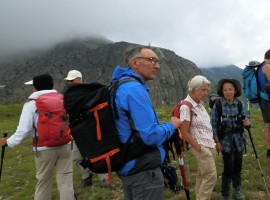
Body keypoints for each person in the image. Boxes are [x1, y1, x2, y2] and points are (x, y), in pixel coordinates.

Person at [111, 46, 181, 199]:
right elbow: (150, 136)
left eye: (157, 61)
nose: (157, 65)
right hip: (143, 168)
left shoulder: (119, 86)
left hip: (127, 165)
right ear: (135, 63)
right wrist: (171, 126)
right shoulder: (134, 90)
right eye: (151, 60)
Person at [0, 74, 75, 200]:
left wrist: (8, 142)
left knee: (43, 181)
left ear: (36, 87)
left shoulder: (31, 104)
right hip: (66, 144)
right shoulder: (62, 99)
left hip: (43, 149)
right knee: (66, 181)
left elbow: (24, 130)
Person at [63, 69, 108, 187]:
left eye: (72, 80)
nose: (70, 82)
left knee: (98, 154)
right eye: (69, 81)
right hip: (78, 131)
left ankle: (104, 179)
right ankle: (86, 177)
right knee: (77, 157)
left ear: (79, 79)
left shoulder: (90, 91)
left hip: (91, 129)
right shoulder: (69, 94)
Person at [211, 79, 250, 200]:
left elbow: (247, 119)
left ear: (235, 91)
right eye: (225, 90)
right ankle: (225, 193)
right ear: (222, 92)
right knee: (228, 167)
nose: (228, 92)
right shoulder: (218, 106)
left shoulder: (240, 104)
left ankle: (237, 190)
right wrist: (217, 142)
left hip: (239, 140)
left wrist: (247, 122)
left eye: (230, 89)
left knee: (238, 166)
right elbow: (213, 125)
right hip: (225, 141)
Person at [179, 75, 217, 200]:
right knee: (211, 175)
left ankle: (199, 197)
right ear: (194, 89)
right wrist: (199, 147)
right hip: (200, 145)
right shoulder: (186, 106)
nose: (206, 93)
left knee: (203, 174)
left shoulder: (199, 104)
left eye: (207, 90)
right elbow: (184, 132)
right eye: (203, 90)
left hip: (209, 143)